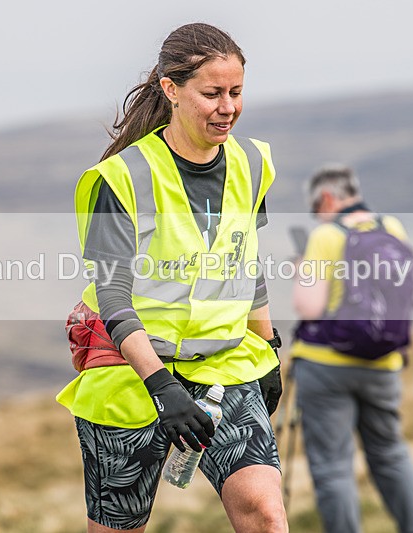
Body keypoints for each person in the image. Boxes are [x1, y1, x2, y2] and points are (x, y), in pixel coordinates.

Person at [57, 22, 287, 533]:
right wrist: (161, 386)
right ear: (171, 90)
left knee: (267, 514)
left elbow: (245, 260)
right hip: (130, 375)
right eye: (212, 94)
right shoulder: (120, 178)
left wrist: (269, 348)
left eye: (236, 92)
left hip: (223, 369)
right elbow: (113, 295)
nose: (227, 106)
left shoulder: (252, 162)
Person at [290, 164, 413, 533]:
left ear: (327, 198)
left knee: (333, 465)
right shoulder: (392, 228)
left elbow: (308, 307)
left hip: (326, 365)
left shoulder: (327, 235)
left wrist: (301, 272)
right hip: (384, 362)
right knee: (390, 454)